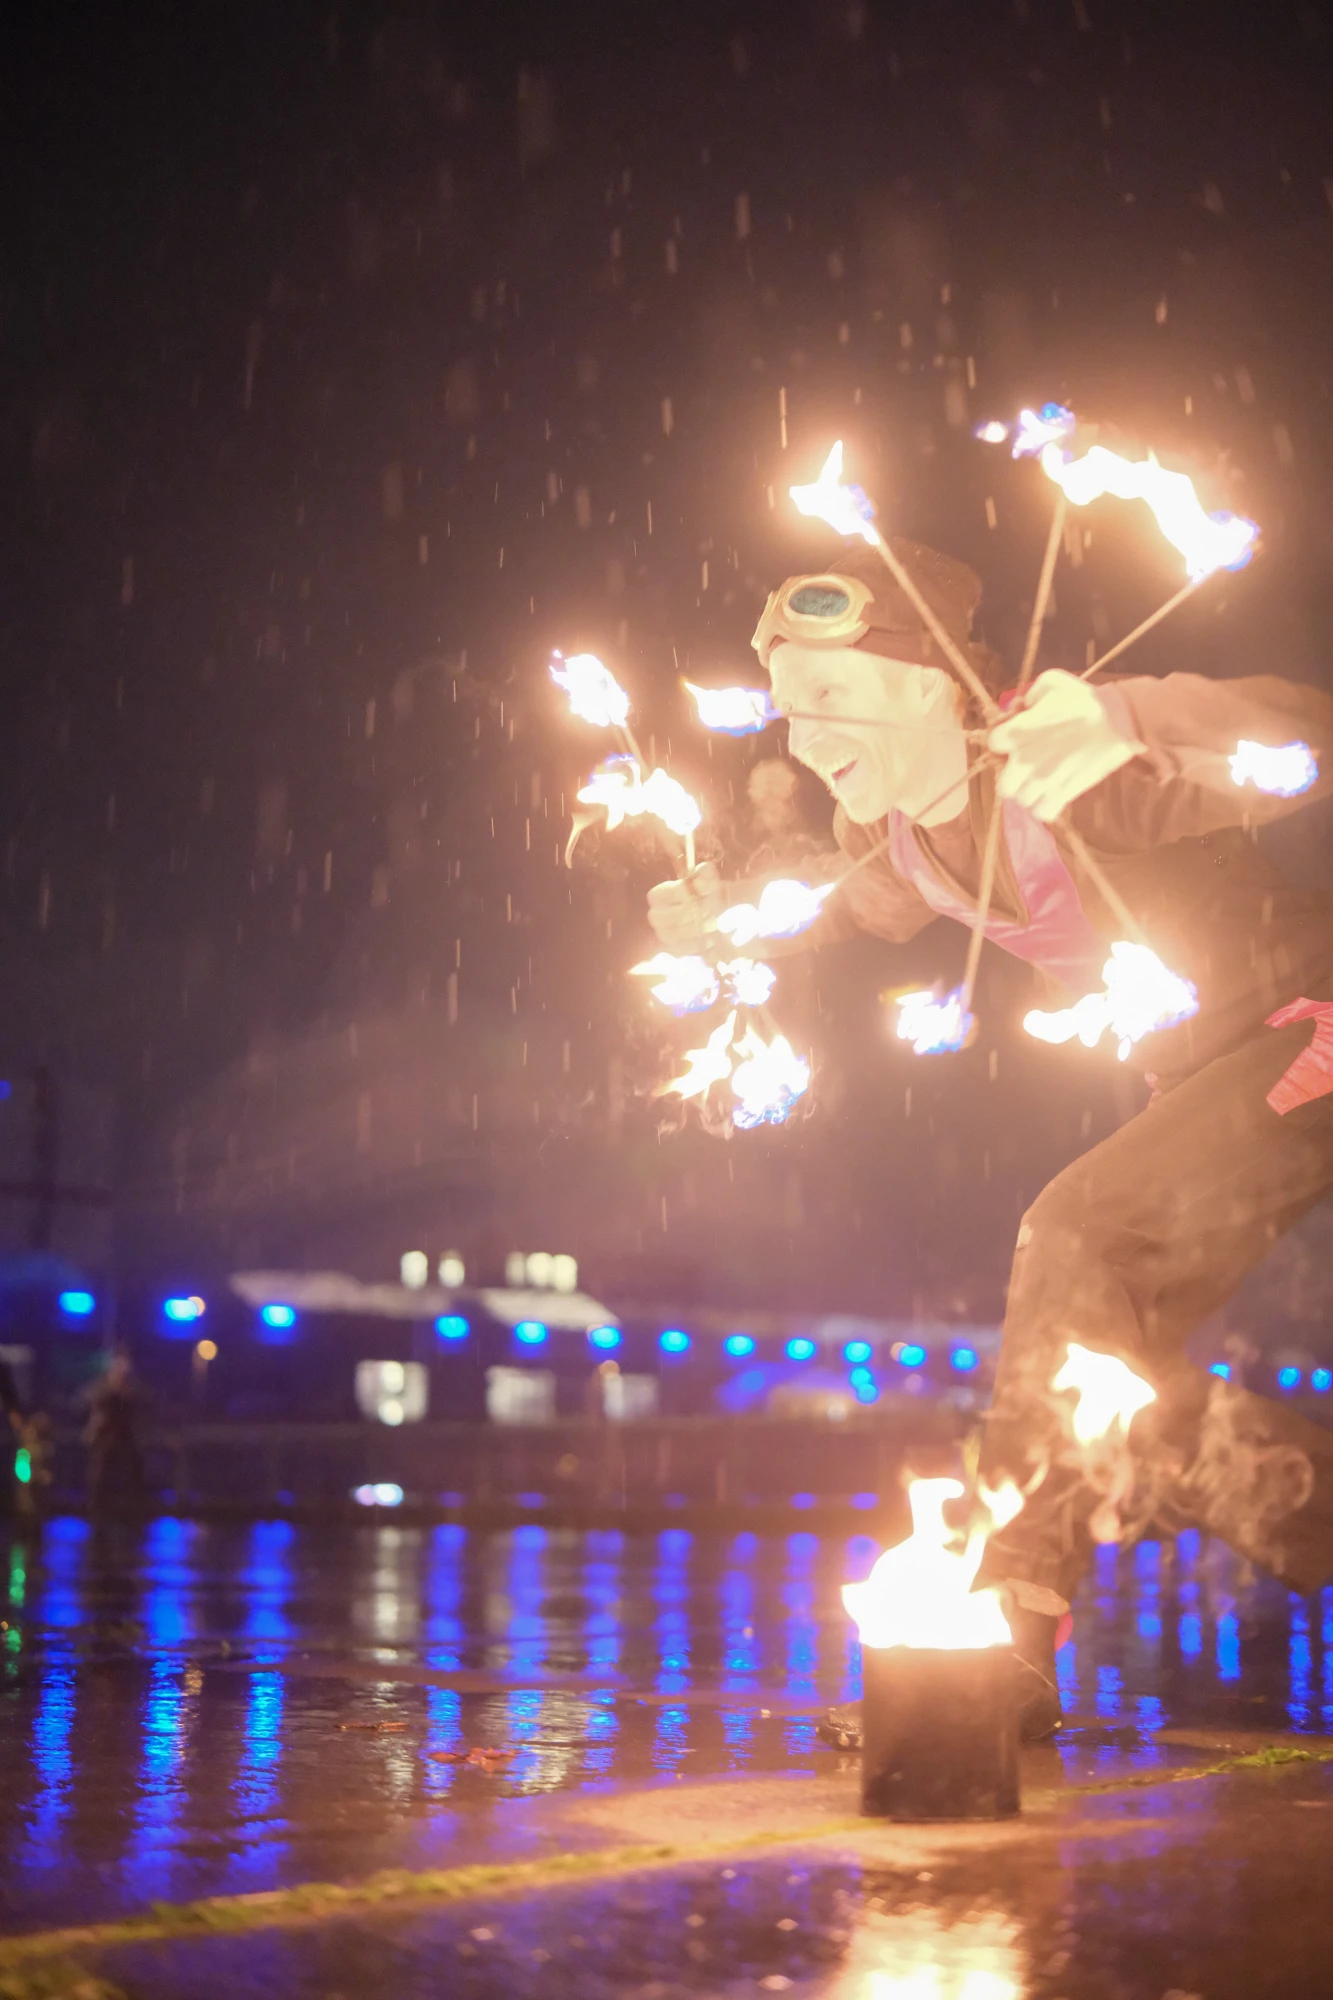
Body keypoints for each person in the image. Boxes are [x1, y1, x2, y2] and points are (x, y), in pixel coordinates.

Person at [647, 540, 1333, 1735]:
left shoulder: (1072, 776)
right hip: (1211, 1073)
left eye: (831, 694)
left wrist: (1129, 717)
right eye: (790, 707)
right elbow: (839, 897)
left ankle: (1014, 1627)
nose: (803, 737)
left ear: (933, 683)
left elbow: (1307, 737)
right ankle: (1018, 1642)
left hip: (1309, 1030)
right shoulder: (908, 843)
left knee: (1073, 1234)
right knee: (1082, 1356)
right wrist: (731, 914)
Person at [83, 1346, 147, 1517]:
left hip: (126, 1438)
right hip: (104, 1438)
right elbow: (89, 1400)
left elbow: (142, 1403)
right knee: (99, 1477)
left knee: (132, 1475)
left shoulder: (133, 1388)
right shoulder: (101, 1387)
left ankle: (132, 1513)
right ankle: (96, 1510)